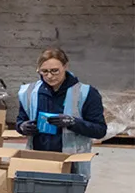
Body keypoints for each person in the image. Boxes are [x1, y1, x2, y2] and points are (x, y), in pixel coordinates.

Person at [14, 48, 105, 177]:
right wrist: (22, 127)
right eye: (44, 71)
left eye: (55, 71)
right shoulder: (28, 92)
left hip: (72, 163)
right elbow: (20, 121)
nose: (50, 76)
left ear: (65, 66)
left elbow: (100, 130)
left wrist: (73, 123)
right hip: (37, 160)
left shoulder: (86, 93)